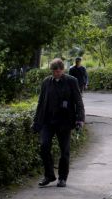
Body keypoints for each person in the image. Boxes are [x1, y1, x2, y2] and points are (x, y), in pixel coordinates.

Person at [33, 58, 85, 188]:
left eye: (58, 71)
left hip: (64, 121)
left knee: (64, 151)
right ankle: (49, 175)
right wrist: (36, 121)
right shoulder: (46, 82)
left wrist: (80, 119)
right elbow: (41, 103)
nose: (56, 73)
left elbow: (78, 101)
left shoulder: (71, 81)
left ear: (63, 70)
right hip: (48, 121)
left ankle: (62, 178)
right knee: (44, 146)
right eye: (54, 71)